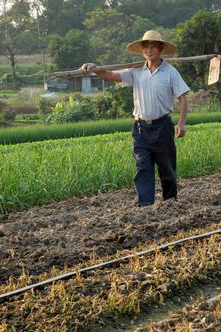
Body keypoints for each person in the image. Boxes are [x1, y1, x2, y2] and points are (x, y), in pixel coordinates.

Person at [81, 30, 190, 207]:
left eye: (153, 46)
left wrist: (181, 123)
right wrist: (95, 68)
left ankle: (171, 204)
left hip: (162, 126)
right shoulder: (135, 72)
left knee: (167, 168)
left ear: (160, 49)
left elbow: (183, 98)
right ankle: (145, 206)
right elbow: (111, 75)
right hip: (140, 129)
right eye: (146, 47)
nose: (149, 50)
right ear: (142, 51)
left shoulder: (170, 72)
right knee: (142, 167)